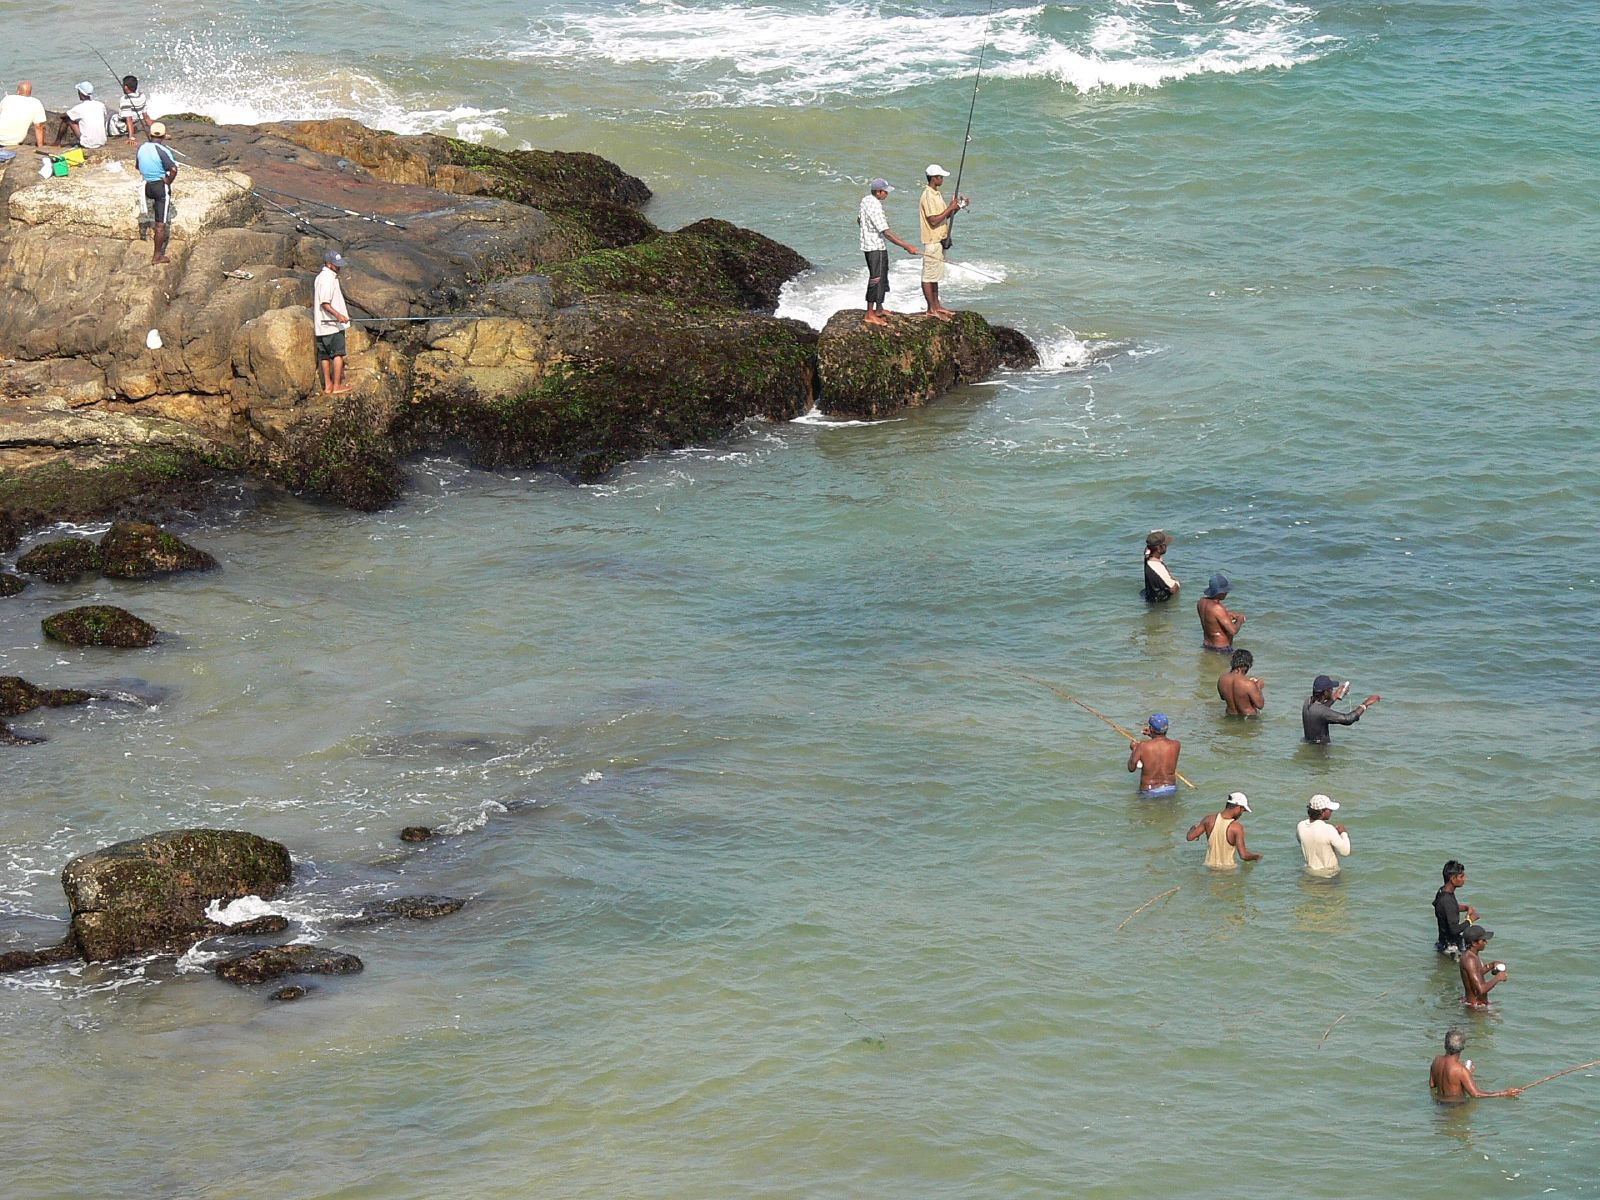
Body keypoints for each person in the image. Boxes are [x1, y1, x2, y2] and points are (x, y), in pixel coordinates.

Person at [857, 178, 919, 328]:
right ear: (878, 192)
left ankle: (879, 309)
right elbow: (887, 233)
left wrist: (865, 230)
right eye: (885, 192)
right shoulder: (875, 206)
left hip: (872, 245)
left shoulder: (865, 200)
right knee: (876, 279)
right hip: (874, 247)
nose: (887, 194)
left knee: (883, 276)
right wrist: (907, 246)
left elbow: (859, 220)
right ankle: (869, 314)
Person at [917, 164, 967, 321]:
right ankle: (931, 309)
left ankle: (937, 305)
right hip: (932, 241)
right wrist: (950, 208)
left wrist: (959, 206)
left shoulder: (936, 194)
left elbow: (945, 215)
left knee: (935, 276)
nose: (942, 179)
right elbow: (933, 220)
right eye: (940, 177)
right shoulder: (928, 196)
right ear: (933, 178)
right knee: (928, 276)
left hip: (940, 240)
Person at [1430, 1028, 1520, 1101]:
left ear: (1445, 1044)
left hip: (1439, 1105)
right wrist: (1504, 1093)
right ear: (1463, 1047)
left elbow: (1432, 1085)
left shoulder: (1436, 1060)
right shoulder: (1461, 1070)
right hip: (1456, 1108)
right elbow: (1476, 1094)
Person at [135, 121, 178, 265]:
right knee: (161, 225)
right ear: (164, 135)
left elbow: (137, 166)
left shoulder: (141, 148)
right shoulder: (163, 150)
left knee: (156, 214)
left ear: (150, 134)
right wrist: (168, 181)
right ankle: (157, 256)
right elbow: (173, 169)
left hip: (147, 186)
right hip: (160, 187)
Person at [313, 250, 353, 395]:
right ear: (329, 264)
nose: (339, 267)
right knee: (337, 355)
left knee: (324, 355)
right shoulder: (327, 279)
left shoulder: (320, 277)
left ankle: (328, 386)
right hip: (332, 326)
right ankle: (336, 385)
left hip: (321, 326)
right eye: (336, 265)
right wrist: (339, 315)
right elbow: (325, 303)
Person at [1186, 792, 1260, 869]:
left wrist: (1193, 828)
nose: (1241, 813)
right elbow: (1244, 856)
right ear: (1238, 807)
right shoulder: (1237, 827)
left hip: (1209, 868)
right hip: (1228, 871)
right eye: (1242, 810)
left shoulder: (1208, 819)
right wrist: (1256, 857)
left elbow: (1190, 837)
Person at [1301, 675, 1379, 744]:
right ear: (1325, 692)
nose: (1332, 690)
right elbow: (1348, 719)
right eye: (1331, 689)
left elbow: (1320, 711)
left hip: (1310, 744)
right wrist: (1365, 704)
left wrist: (1334, 697)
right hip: (1320, 752)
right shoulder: (1321, 711)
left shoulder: (1307, 702)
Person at [1127, 713, 1180, 798]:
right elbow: (1161, 743)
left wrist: (1134, 749)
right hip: (1170, 788)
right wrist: (1151, 734)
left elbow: (1131, 768)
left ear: (1151, 728)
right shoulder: (1176, 745)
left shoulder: (1142, 746)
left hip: (1148, 790)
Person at [1296, 794, 1349, 875]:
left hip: (1310, 873)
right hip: (1329, 874)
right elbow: (1345, 852)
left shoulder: (1300, 826)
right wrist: (1343, 833)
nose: (1331, 811)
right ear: (1322, 811)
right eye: (1329, 810)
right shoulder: (1328, 829)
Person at [1433, 860, 1477, 958]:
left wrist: (1466, 907)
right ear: (1453, 879)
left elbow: (1446, 908)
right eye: (1461, 876)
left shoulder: (1442, 891)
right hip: (1451, 948)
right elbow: (1454, 930)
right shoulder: (1447, 900)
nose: (1464, 879)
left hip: (1442, 942)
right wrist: (1470, 920)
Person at [1459, 925, 1508, 1008]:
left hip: (1478, 1004)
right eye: (1483, 940)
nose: (1486, 942)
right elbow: (1480, 990)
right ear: (1474, 943)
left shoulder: (1472, 955)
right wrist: (1498, 978)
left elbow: (1477, 973)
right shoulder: (1469, 960)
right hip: (1475, 1007)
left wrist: (1491, 965)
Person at [1197, 572, 1244, 651]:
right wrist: (1240, 619)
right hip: (1221, 648)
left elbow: (1211, 621)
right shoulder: (1218, 608)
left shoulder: (1201, 602)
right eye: (1225, 591)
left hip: (1207, 645)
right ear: (1220, 592)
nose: (1227, 593)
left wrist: (1228, 615)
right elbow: (1233, 631)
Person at [54, 82, 108, 150]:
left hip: (88, 144)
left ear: (81, 94)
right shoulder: (100, 105)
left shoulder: (79, 108)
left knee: (67, 119)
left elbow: (64, 115)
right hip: (102, 141)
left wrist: (61, 115)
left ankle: (57, 142)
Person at [1217, 648, 1265, 717]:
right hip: (1248, 718)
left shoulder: (1222, 679)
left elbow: (1223, 698)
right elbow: (1260, 705)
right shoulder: (1248, 684)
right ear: (1247, 666)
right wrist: (1258, 686)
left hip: (1230, 716)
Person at [0, 81, 48, 149]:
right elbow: (39, 126)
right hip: (12, 142)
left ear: (18, 91)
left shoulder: (7, 98)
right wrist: (40, 146)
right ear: (30, 92)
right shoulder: (36, 103)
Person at [1142, 530, 1178, 602]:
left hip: (1151, 595)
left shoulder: (1148, 556)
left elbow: (1147, 550)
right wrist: (1177, 583)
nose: (1167, 546)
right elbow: (1173, 589)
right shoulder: (1157, 567)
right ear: (1160, 548)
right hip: (1159, 604)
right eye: (1165, 545)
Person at [111, 74, 148, 143]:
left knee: (109, 114)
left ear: (126, 87)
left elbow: (129, 120)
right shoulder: (142, 96)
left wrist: (131, 137)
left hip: (120, 127)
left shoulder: (125, 99)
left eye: (123, 85)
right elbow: (146, 117)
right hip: (134, 122)